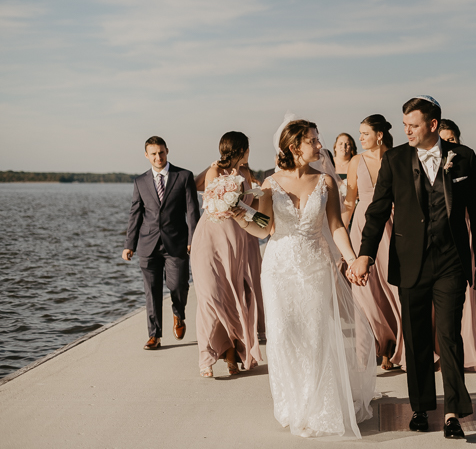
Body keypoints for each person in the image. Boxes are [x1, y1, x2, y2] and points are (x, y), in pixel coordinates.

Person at [349, 96, 476, 439]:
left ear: (432, 125)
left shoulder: (464, 157)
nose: (406, 131)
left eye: (413, 125)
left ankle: (454, 411)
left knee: (449, 336)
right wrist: (365, 254)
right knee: (415, 339)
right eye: (404, 125)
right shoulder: (395, 159)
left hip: (452, 262)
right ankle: (421, 408)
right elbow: (377, 211)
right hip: (410, 261)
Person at [234, 119, 377, 438]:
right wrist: (239, 214)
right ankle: (293, 405)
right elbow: (264, 226)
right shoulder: (270, 183)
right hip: (278, 266)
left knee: (315, 334)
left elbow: (337, 226)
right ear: (294, 146)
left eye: (317, 139)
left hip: (315, 264)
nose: (318, 144)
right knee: (283, 335)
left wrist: (352, 260)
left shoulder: (326, 182)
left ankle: (319, 407)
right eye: (312, 140)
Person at [190, 132, 263, 377]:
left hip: (238, 242)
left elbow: (253, 208)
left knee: (235, 299)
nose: (249, 153)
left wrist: (263, 202)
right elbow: (210, 203)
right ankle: (206, 356)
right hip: (210, 241)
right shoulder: (214, 172)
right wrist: (229, 202)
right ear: (241, 150)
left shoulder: (247, 175)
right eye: (248, 149)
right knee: (210, 298)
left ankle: (232, 354)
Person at [123, 136, 200, 350]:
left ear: (167, 151)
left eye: (161, 152)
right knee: (152, 290)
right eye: (154, 153)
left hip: (177, 243)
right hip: (148, 245)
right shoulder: (140, 182)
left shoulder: (183, 176)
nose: (158, 157)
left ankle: (178, 314)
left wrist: (194, 240)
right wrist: (129, 244)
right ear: (146, 155)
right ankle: (154, 335)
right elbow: (135, 214)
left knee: (178, 285)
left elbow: (192, 211)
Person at [343, 115, 404, 371]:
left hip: (395, 226)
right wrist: (341, 235)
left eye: (364, 133)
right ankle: (370, 352)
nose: (360, 138)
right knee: (366, 293)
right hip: (362, 228)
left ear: (379, 135)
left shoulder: (399, 159)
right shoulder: (356, 162)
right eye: (359, 133)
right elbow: (349, 202)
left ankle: (393, 347)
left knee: (393, 288)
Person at [438, 118, 476, 372]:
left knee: (465, 296)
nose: (448, 144)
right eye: (443, 140)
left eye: (452, 139)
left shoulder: (467, 162)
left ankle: (467, 350)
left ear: (459, 139)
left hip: (463, 235)